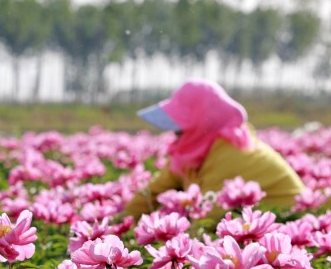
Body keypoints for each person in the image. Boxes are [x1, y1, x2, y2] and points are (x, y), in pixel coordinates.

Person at [121, 79, 306, 220]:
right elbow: (151, 193)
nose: (175, 132)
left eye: (181, 124)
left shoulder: (231, 154)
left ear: (201, 123)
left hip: (291, 220)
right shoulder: (191, 151)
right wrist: (117, 227)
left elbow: (210, 219)